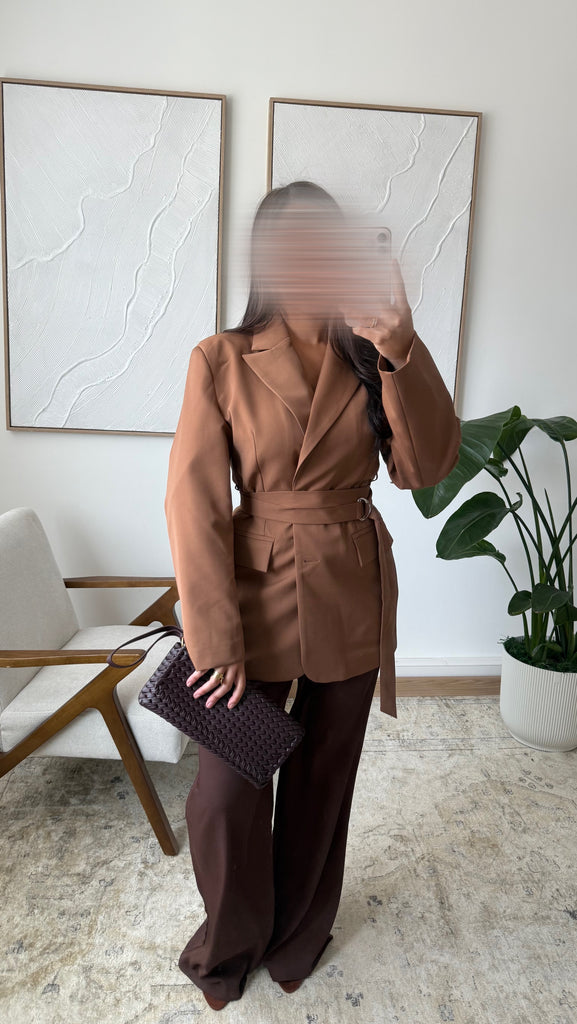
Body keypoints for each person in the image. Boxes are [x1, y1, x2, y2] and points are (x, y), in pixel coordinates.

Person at [164, 180, 462, 1010]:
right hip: (251, 592)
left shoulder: (369, 352)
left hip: (347, 582)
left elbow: (425, 468)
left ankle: (298, 935)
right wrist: (212, 638)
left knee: (322, 780)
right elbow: (192, 502)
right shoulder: (220, 357)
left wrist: (402, 351)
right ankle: (230, 943)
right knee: (224, 795)